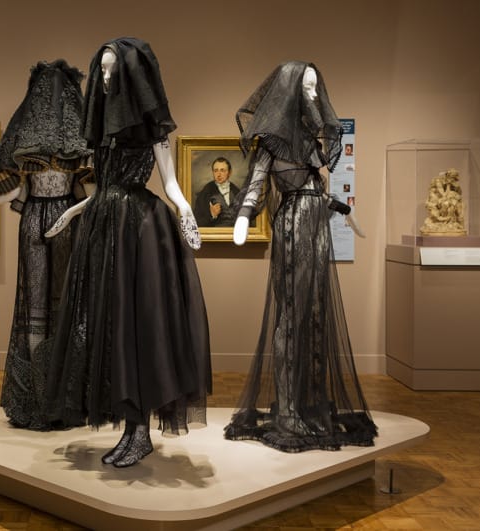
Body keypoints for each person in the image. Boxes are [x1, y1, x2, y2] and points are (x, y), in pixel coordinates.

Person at [41, 38, 212, 468]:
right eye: (100, 69)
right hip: (102, 227)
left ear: (131, 74)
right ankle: (130, 430)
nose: (104, 77)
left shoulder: (151, 128)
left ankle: (140, 433)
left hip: (140, 228)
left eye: (111, 69)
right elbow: (104, 189)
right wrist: (73, 213)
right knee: (109, 326)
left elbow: (169, 183)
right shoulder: (101, 130)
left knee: (140, 326)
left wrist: (186, 212)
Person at [225, 61, 377, 452]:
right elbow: (257, 185)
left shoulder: (311, 142)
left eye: (315, 88)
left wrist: (345, 210)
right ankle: (289, 409)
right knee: (291, 316)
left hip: (317, 228)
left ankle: (309, 402)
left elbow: (315, 190)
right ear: (291, 91)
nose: (313, 95)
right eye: (306, 88)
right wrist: (242, 218)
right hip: (293, 226)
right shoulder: (272, 142)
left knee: (315, 313)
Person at [0, 60, 92, 430]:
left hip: (66, 220)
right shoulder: (27, 149)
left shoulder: (77, 145)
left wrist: (74, 216)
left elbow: (89, 192)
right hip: (34, 222)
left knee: (66, 300)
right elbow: (18, 191)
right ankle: (38, 396)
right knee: (33, 304)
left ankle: (65, 393)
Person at [193, 157, 240, 227]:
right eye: (216, 171)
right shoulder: (206, 192)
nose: (219, 174)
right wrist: (212, 215)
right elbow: (196, 221)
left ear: (229, 173)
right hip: (215, 232)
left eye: (222, 170)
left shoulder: (236, 191)